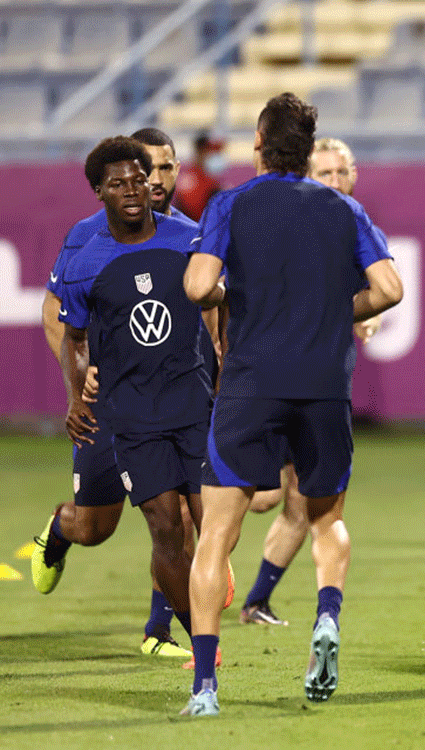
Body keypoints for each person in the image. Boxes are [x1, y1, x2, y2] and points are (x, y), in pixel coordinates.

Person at [181, 93, 403, 715]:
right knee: (325, 518)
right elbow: (389, 288)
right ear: (310, 149)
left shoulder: (231, 204)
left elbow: (199, 286)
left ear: (258, 141)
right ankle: (326, 618)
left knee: (216, 538)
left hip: (250, 386)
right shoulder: (344, 209)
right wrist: (336, 309)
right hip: (324, 386)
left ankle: (204, 688)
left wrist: (236, 293)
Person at [31, 129, 215, 661]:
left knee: (178, 520)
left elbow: (211, 309)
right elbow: (63, 322)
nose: (149, 182)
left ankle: (163, 632)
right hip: (110, 407)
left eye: (160, 170)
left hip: (177, 403)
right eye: (136, 174)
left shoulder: (189, 235)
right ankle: (59, 531)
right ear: (103, 189)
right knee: (96, 527)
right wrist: (80, 386)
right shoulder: (84, 243)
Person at [238, 135, 380, 627]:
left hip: (315, 383)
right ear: (306, 176)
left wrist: (360, 312)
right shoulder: (292, 222)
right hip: (270, 377)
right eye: (326, 174)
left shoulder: (350, 224)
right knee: (263, 498)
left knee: (300, 502)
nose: (336, 182)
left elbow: (372, 289)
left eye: (342, 173)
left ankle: (255, 601)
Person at [174, 130, 226, 220]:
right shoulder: (190, 183)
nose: (217, 156)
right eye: (212, 152)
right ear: (200, 152)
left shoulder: (214, 182)